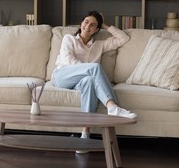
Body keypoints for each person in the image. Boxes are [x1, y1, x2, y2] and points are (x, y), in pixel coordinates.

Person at [52, 11, 137, 149]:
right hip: (62, 76)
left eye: (93, 25)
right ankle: (112, 107)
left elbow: (123, 38)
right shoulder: (69, 39)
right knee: (94, 68)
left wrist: (105, 25)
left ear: (97, 30)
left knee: (89, 82)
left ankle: (85, 134)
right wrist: (89, 68)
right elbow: (67, 61)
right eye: (86, 22)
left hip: (81, 81)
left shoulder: (99, 45)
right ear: (81, 23)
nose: (87, 26)